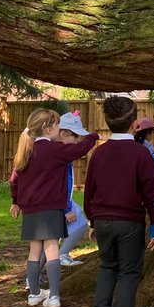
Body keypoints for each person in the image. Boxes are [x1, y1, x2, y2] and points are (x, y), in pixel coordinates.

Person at [83, 95, 154, 307]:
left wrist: (92, 221)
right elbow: (152, 194)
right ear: (134, 123)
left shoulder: (99, 153)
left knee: (108, 267)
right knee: (129, 273)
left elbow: (90, 191)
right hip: (130, 222)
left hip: (103, 220)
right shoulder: (141, 154)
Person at [9, 108, 99, 307]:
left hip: (30, 210)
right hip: (51, 208)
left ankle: (33, 293)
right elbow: (79, 150)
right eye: (57, 125)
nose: (59, 129)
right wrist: (93, 137)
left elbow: (14, 179)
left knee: (34, 252)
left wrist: (16, 201)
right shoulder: (53, 150)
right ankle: (54, 296)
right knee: (52, 251)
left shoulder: (26, 151)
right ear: (48, 128)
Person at [56, 111, 92, 266]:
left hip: (64, 202)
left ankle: (62, 254)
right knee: (48, 241)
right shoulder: (58, 153)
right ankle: (33, 279)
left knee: (81, 223)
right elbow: (56, 185)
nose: (78, 141)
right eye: (75, 136)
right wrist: (65, 209)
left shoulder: (62, 153)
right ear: (63, 133)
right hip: (57, 204)